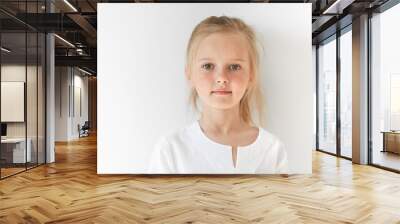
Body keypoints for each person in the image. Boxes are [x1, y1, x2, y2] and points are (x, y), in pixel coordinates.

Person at [148, 15, 288, 174]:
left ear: (251, 75)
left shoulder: (273, 150)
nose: (222, 78)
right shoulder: (170, 151)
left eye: (234, 67)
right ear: (189, 74)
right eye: (207, 66)